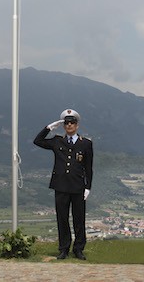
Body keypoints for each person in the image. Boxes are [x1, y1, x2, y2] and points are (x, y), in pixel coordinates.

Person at [33, 108, 93, 260]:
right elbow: (37, 141)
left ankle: (78, 249)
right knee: (62, 219)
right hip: (61, 186)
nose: (69, 125)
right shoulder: (57, 141)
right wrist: (49, 128)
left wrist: (88, 187)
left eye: (72, 122)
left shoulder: (85, 143)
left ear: (77, 125)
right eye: (66, 123)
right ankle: (64, 249)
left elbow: (88, 167)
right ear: (63, 125)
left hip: (78, 186)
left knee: (79, 219)